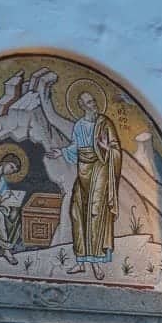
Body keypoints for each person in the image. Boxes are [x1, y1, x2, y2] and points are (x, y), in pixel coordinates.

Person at [45, 91, 122, 281]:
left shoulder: (105, 123)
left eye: (93, 100)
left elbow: (115, 149)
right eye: (88, 101)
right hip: (84, 169)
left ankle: (95, 263)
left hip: (100, 168)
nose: (93, 104)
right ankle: (81, 261)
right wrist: (61, 153)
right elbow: (76, 147)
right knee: (77, 213)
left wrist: (105, 149)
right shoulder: (79, 125)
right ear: (81, 104)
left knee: (95, 214)